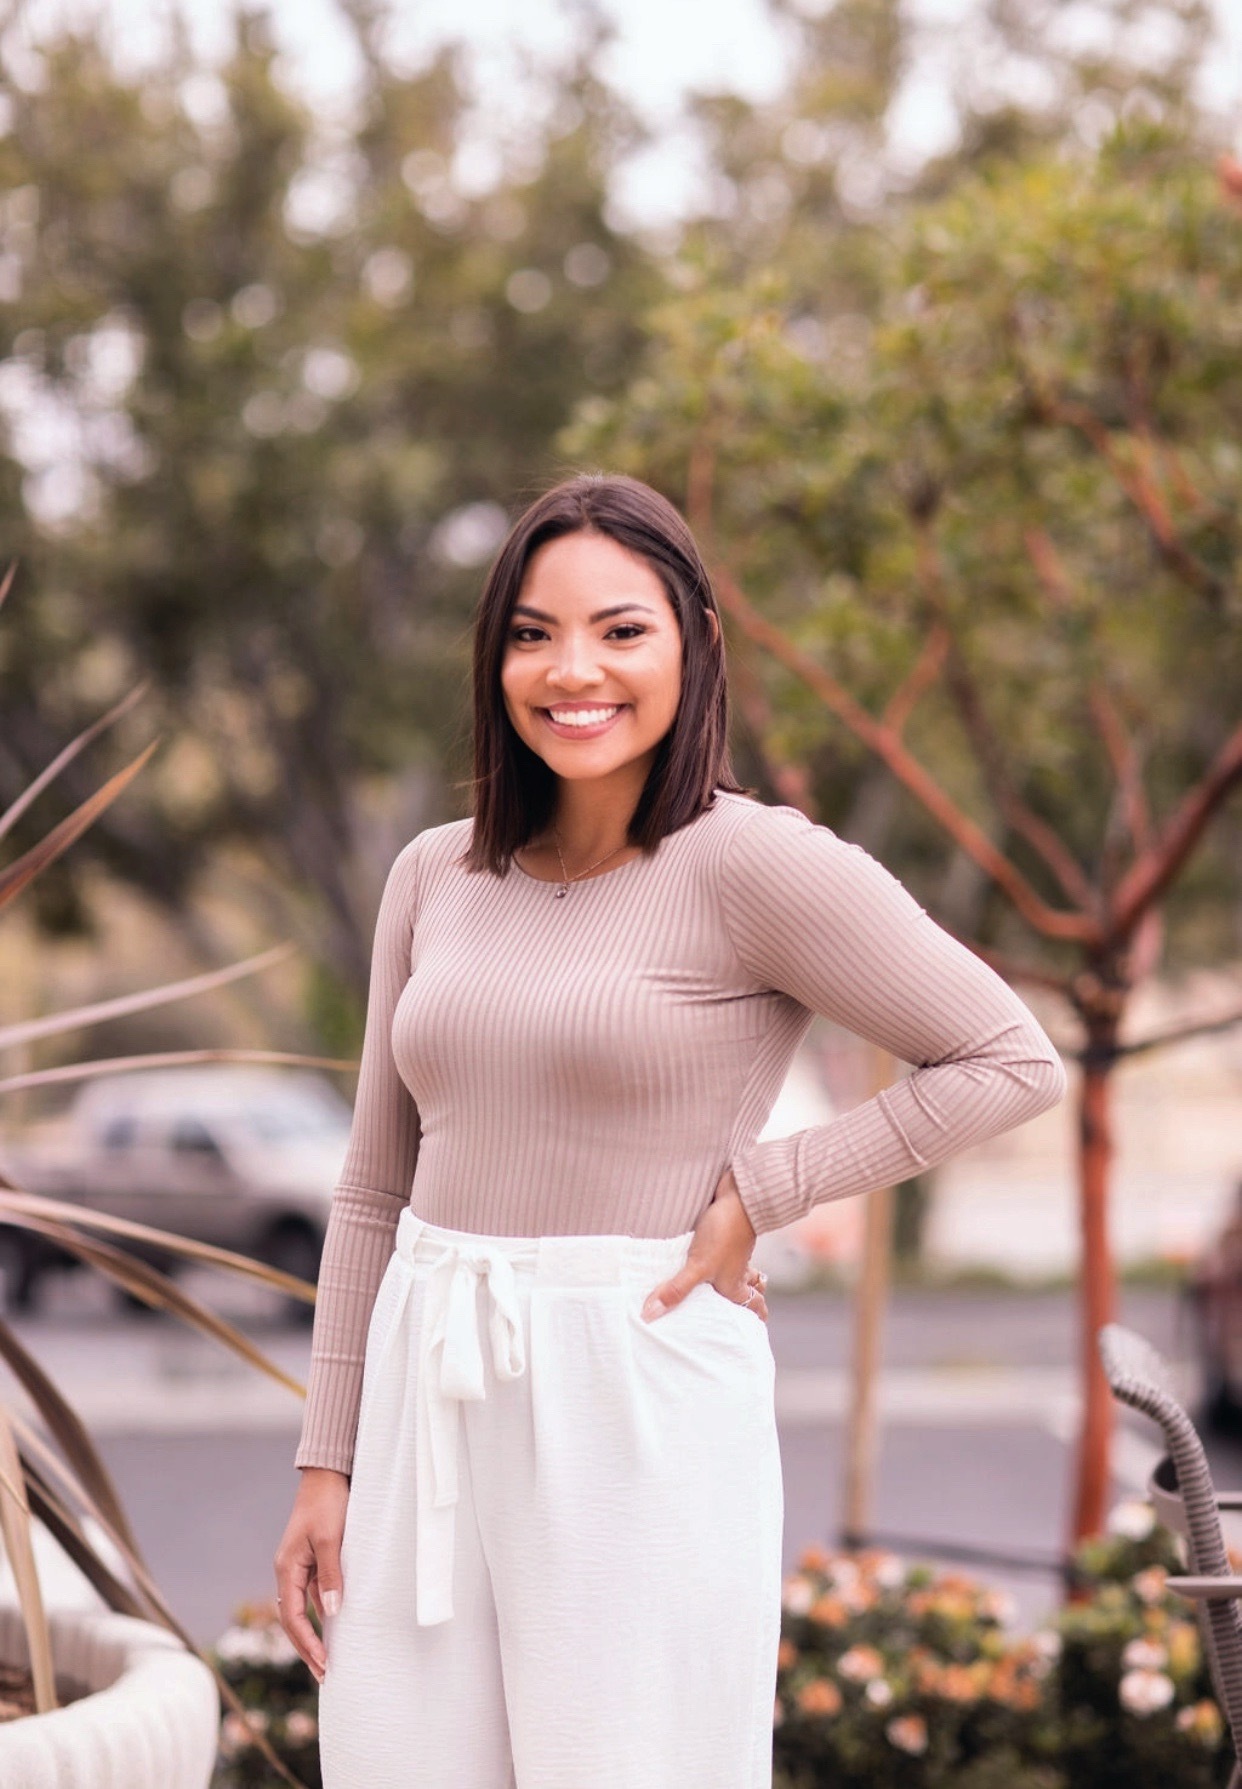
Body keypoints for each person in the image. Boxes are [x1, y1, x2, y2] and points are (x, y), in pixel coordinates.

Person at [274, 471, 1067, 1789]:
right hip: (429, 1364)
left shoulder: (750, 862)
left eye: (619, 628)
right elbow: (373, 1186)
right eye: (532, 632)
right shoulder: (432, 872)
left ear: (695, 637)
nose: (571, 668)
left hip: (631, 1372)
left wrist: (764, 1189)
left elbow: (1003, 1055)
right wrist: (325, 1458)